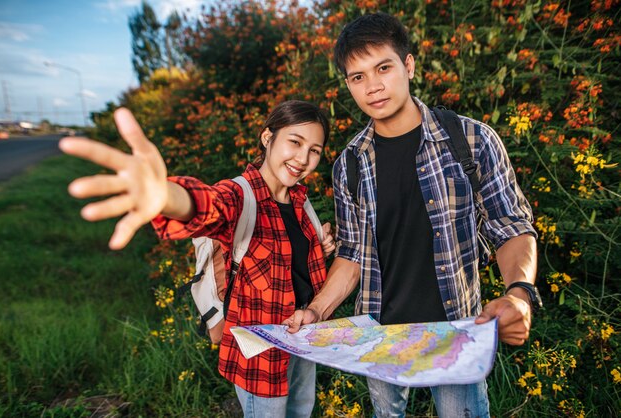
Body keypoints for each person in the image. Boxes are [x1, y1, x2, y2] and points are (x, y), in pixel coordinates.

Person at [284, 12, 539, 417]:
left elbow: (510, 226)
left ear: (408, 65)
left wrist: (518, 292)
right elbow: (351, 256)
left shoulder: (470, 140)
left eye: (383, 67)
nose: (373, 86)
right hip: (380, 336)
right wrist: (317, 310)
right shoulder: (349, 164)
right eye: (357, 77)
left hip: (454, 330)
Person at [59, 100, 336, 418]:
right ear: (267, 137)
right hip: (261, 356)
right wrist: (165, 196)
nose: (303, 159)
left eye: (314, 150)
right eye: (295, 142)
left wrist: (321, 246)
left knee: (302, 411)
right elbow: (207, 206)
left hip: (304, 338)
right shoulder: (239, 196)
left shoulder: (300, 200)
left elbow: (292, 264)